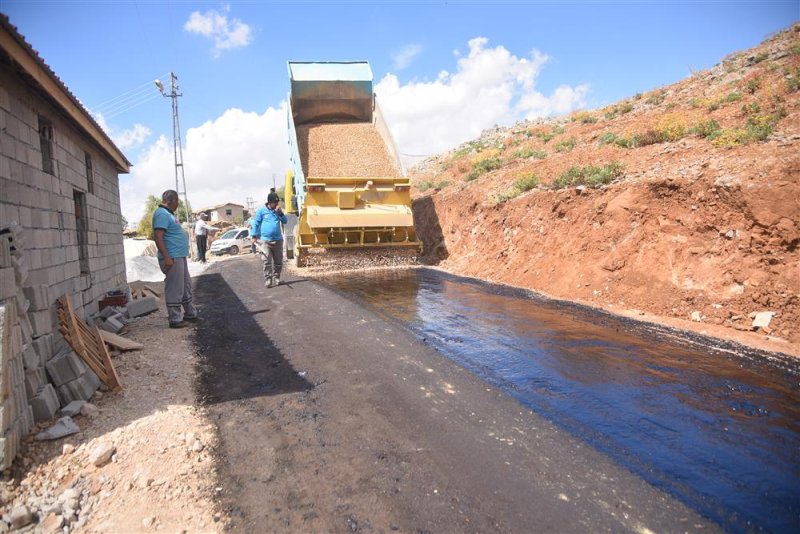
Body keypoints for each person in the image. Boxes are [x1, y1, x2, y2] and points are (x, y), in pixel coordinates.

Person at [152, 190, 199, 328]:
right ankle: (175, 318)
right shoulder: (161, 214)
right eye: (177, 201)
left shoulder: (168, 214)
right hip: (172, 256)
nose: (178, 204)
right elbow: (158, 236)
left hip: (178, 255)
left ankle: (190, 313)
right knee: (175, 287)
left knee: (185, 285)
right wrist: (167, 257)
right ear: (171, 201)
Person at [250, 195, 288, 288]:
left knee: (278, 262)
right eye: (275, 203)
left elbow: (285, 221)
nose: (276, 204)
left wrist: (281, 214)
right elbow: (256, 224)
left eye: (277, 203)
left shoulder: (278, 211)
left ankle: (277, 278)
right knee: (266, 261)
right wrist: (254, 236)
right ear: (270, 202)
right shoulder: (261, 211)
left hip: (278, 240)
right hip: (265, 241)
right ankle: (268, 280)